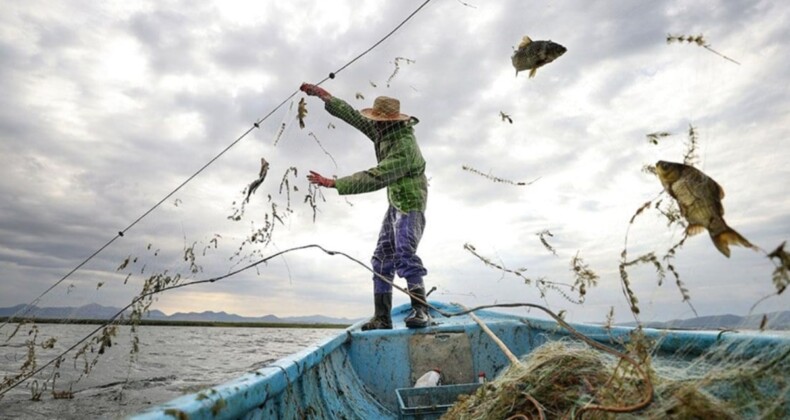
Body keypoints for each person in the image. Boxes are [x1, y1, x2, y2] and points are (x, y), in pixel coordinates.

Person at [300, 83, 430, 330]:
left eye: (380, 122)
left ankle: (421, 310)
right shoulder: (383, 131)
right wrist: (325, 97)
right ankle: (382, 318)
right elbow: (352, 116)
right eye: (376, 121)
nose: (376, 125)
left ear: (392, 121)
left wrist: (334, 183)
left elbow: (377, 176)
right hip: (395, 203)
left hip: (411, 202)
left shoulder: (404, 147)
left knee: (404, 252)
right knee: (382, 256)